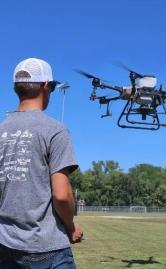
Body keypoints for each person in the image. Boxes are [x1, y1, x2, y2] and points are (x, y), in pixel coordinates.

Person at [0, 58, 83, 268]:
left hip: (4, 246)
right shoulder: (54, 130)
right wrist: (71, 227)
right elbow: (61, 195)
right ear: (46, 86)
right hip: (46, 248)